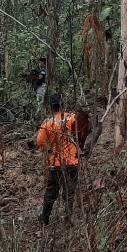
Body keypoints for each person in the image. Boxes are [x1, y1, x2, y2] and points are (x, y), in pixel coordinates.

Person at [36, 94, 79, 226]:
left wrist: (51, 146)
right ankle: (67, 220)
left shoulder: (47, 123)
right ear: (62, 104)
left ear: (51, 106)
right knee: (69, 191)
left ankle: (45, 219)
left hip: (56, 163)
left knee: (51, 192)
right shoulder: (72, 118)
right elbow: (82, 132)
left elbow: (39, 142)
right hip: (72, 162)